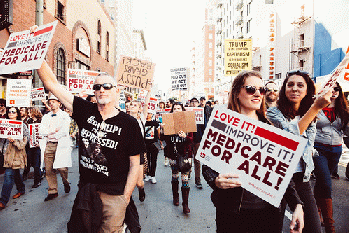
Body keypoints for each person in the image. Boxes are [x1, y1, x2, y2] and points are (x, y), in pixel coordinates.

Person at [36, 59, 144, 232]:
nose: (102, 90)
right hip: (86, 192)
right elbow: (52, 84)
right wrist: (38, 53)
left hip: (115, 195)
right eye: (97, 87)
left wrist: (125, 198)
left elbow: (135, 164)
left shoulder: (129, 123)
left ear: (116, 91)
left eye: (107, 86)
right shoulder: (85, 110)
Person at [202, 71, 304, 233]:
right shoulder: (222, 125)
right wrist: (215, 181)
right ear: (236, 93)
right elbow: (207, 165)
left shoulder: (271, 129)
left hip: (268, 214)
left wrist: (297, 204)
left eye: (261, 90)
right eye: (251, 89)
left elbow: (281, 173)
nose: (258, 94)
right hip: (232, 213)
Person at [267, 70, 332, 233]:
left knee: (314, 229)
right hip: (277, 179)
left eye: (300, 85)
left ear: (307, 90)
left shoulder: (310, 114)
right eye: (290, 85)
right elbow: (289, 139)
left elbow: (308, 145)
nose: (294, 88)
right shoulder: (273, 113)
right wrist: (315, 108)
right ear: (284, 89)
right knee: (273, 227)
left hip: (301, 179)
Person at [313, 82, 349, 233]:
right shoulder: (316, 107)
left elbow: (347, 132)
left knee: (322, 182)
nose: (333, 91)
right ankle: (330, 226)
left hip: (336, 151)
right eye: (330, 88)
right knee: (326, 183)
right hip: (318, 149)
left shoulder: (344, 110)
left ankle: (316, 213)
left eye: (336, 89)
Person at [39, 94, 72, 201]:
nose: (51, 104)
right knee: (48, 169)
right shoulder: (46, 117)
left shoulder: (65, 116)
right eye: (50, 102)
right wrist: (53, 131)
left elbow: (64, 130)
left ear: (59, 103)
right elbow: (42, 131)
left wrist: (52, 132)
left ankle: (65, 181)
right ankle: (53, 191)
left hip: (61, 145)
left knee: (62, 168)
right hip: (49, 144)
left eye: (54, 101)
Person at [163, 102, 194, 214]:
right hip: (173, 155)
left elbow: (191, 140)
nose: (176, 110)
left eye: (178, 108)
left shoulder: (188, 122)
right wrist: (163, 130)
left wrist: (185, 137)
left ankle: (185, 204)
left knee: (185, 179)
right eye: (174, 108)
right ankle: (176, 197)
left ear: (182, 110)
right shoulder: (168, 121)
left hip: (185, 154)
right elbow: (164, 139)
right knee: (175, 176)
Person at [0, 107, 29, 210]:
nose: (11, 113)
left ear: (17, 114)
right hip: (4, 154)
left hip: (15, 155)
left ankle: (3, 201)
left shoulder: (23, 126)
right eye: (9, 112)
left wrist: (14, 141)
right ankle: (21, 189)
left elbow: (23, 144)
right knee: (15, 173)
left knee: (8, 176)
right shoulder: (4, 124)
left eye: (13, 112)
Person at [129, 94, 150, 202]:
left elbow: (146, 104)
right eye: (131, 104)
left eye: (135, 105)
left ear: (139, 109)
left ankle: (141, 190)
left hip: (138, 153)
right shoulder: (124, 118)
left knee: (139, 182)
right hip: (125, 153)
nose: (132, 106)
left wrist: (149, 91)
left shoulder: (141, 118)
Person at [23, 107, 43, 188]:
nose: (29, 114)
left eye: (30, 112)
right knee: (28, 162)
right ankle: (39, 174)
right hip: (29, 145)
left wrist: (40, 142)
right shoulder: (28, 121)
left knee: (36, 164)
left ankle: (37, 181)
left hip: (38, 146)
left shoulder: (41, 121)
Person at [189, 97, 204, 189]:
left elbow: (204, 126)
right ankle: (188, 172)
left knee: (197, 160)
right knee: (188, 158)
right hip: (188, 139)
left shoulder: (201, 112)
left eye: (195, 102)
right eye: (192, 102)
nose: (194, 103)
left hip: (197, 139)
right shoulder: (187, 112)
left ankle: (198, 180)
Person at [144, 112, 161, 184]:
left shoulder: (155, 123)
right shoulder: (142, 122)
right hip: (145, 144)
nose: (148, 114)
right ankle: (147, 174)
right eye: (147, 113)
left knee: (154, 160)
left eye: (150, 113)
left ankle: (153, 175)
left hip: (153, 144)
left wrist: (160, 143)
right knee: (146, 161)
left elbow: (159, 133)